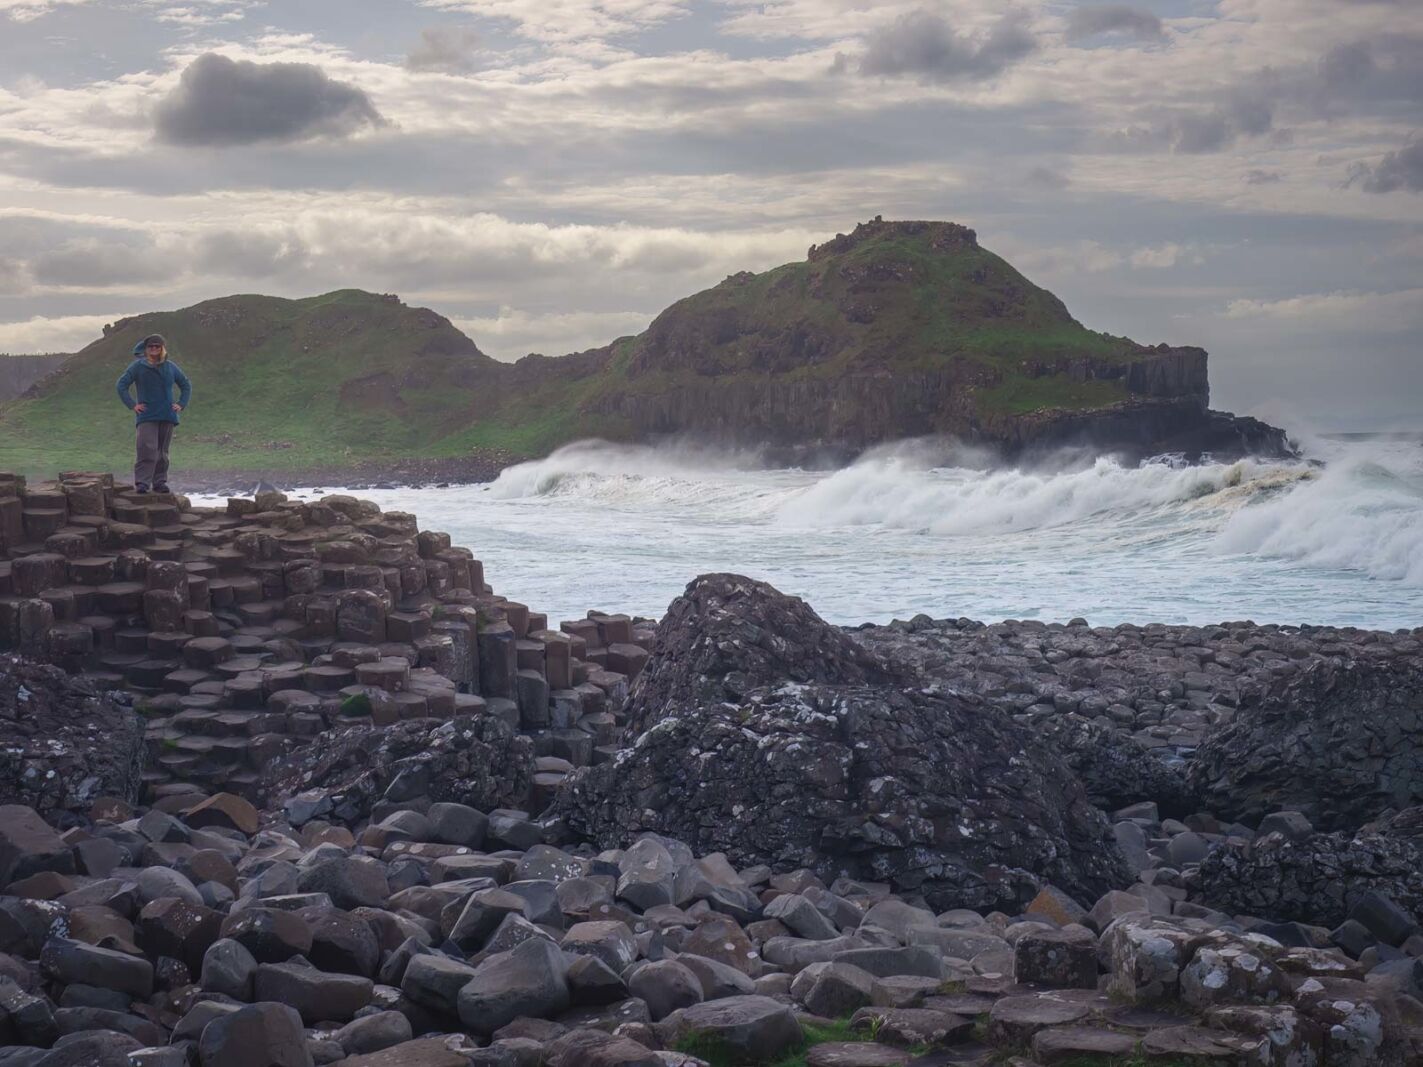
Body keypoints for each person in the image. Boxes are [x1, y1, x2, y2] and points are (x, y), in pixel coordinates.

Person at [115, 333, 191, 494]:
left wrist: (181, 404)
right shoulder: (138, 366)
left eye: (157, 346)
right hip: (147, 415)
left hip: (167, 415)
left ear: (162, 348)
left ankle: (159, 483)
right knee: (146, 449)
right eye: (151, 346)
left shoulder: (170, 366)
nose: (154, 348)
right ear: (146, 348)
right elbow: (121, 385)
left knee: (162, 453)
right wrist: (132, 405)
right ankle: (142, 483)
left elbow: (185, 384)